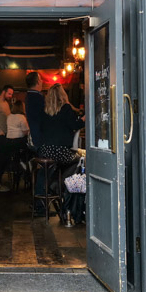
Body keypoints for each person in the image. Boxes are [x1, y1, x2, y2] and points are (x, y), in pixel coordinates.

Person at [37, 84, 85, 222]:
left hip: (45, 150)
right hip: (61, 151)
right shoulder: (66, 108)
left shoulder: (45, 110)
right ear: (62, 95)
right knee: (81, 159)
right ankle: (65, 191)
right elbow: (75, 125)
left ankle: (55, 185)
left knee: (53, 168)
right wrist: (83, 119)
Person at [5, 99, 31, 189]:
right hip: (18, 142)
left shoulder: (9, 116)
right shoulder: (22, 117)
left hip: (8, 142)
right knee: (29, 154)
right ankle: (25, 170)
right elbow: (25, 132)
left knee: (15, 158)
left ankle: (17, 168)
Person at [24, 72, 46, 149]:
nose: (42, 81)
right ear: (37, 82)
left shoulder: (29, 96)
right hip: (41, 138)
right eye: (40, 79)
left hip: (35, 136)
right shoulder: (37, 97)